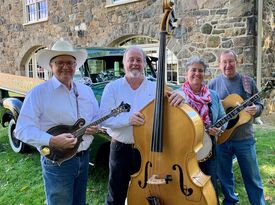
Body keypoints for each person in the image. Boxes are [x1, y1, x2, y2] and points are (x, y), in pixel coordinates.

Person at [15, 39, 100, 205]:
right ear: (51, 66)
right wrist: (52, 140)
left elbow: (95, 118)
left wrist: (95, 128)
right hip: (57, 163)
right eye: (60, 62)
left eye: (70, 62)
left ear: (76, 66)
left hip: (84, 158)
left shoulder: (86, 91)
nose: (65, 66)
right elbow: (21, 129)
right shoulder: (38, 93)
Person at [100, 46, 184, 205]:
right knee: (116, 194)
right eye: (130, 60)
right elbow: (103, 119)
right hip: (120, 148)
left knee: (146, 193)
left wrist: (181, 94)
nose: (134, 63)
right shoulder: (112, 88)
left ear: (144, 64)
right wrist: (127, 119)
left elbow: (179, 93)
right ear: (124, 63)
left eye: (139, 60)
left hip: (147, 151)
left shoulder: (155, 87)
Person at [208, 50, 265, 205]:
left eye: (231, 61)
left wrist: (256, 110)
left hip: (244, 139)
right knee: (225, 177)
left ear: (236, 62)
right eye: (224, 62)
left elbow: (260, 103)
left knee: (252, 177)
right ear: (219, 65)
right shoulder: (212, 84)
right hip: (221, 140)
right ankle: (230, 202)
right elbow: (207, 110)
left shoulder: (248, 82)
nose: (228, 65)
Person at [179, 56, 226, 202]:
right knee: (186, 187)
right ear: (187, 73)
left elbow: (223, 118)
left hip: (209, 150)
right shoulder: (178, 96)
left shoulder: (213, 96)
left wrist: (219, 128)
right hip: (185, 151)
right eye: (193, 70)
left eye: (200, 70)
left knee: (210, 187)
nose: (197, 73)